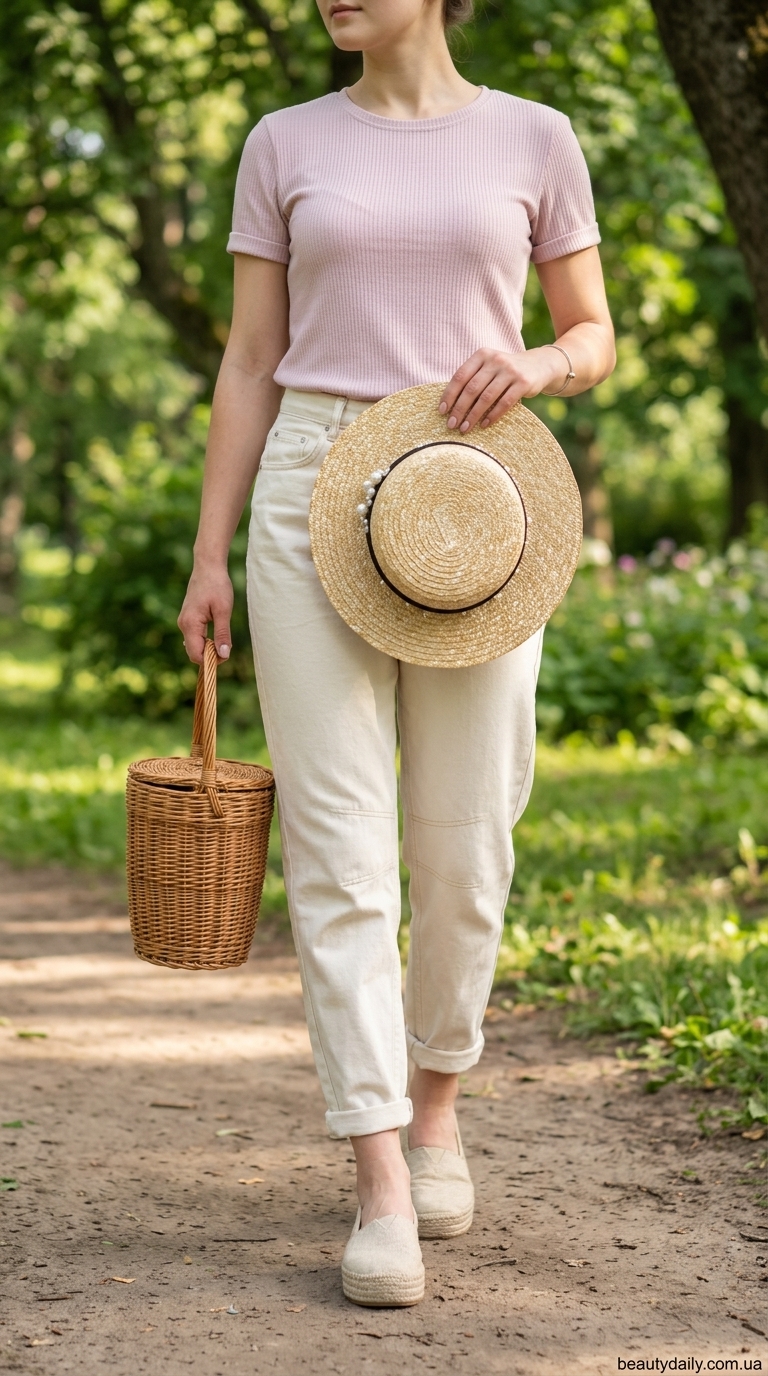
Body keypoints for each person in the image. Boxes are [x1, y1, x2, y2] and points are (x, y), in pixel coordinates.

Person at [178, 0, 615, 1307]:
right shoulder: (283, 140)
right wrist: (208, 554)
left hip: (475, 496)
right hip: (314, 479)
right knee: (339, 843)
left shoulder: (537, 140)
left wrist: (535, 364)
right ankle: (377, 1172)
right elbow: (251, 357)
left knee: (468, 843)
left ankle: (437, 1109)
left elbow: (595, 335)